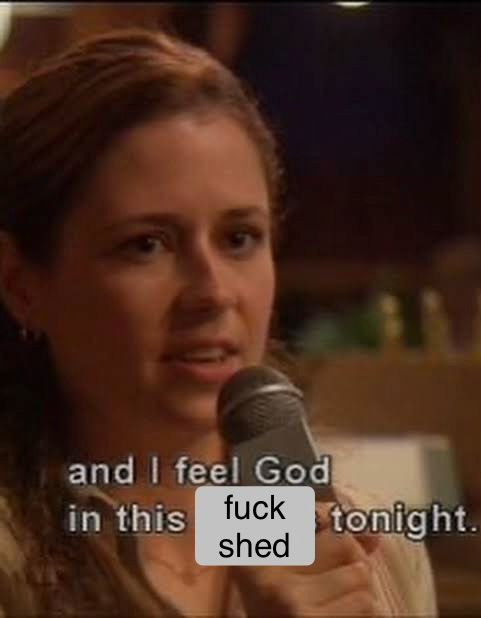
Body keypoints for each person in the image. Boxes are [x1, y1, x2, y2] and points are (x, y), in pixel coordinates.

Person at [0, 28, 436, 616]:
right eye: (146, 244)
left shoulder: (370, 549)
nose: (212, 292)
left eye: (239, 238)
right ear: (20, 285)